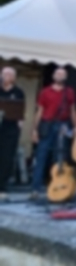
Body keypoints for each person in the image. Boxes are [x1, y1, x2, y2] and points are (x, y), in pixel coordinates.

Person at [31, 67, 76, 199]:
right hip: (47, 124)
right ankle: (36, 188)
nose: (60, 76)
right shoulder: (45, 92)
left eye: (62, 74)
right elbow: (39, 111)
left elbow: (73, 110)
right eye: (58, 73)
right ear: (53, 76)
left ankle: (57, 188)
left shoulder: (69, 92)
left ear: (65, 77)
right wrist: (34, 129)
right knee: (41, 155)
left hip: (63, 124)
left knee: (60, 158)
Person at [0, 67, 24, 202]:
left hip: (10, 129)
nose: (7, 76)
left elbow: (21, 110)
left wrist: (20, 123)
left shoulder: (18, 92)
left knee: (6, 158)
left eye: (10, 74)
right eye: (4, 74)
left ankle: (2, 187)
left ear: (14, 77)